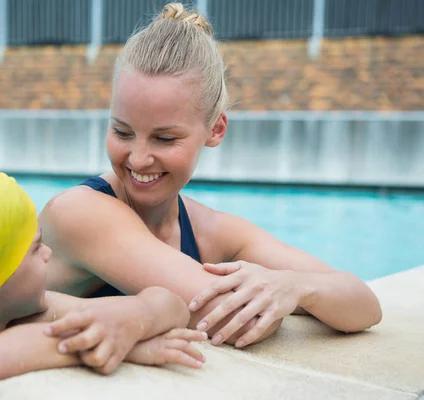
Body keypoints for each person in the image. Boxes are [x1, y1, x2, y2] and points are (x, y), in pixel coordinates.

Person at [39, 2, 382, 349]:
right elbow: (229, 317)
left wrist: (293, 286)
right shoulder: (80, 212)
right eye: (122, 132)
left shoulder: (212, 231)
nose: (139, 159)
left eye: (165, 138)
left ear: (215, 129)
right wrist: (274, 297)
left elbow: (364, 305)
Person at [0, 165, 207, 400]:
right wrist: (104, 342)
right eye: (36, 247)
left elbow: (172, 303)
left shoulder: (29, 310)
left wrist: (133, 320)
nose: (49, 254)